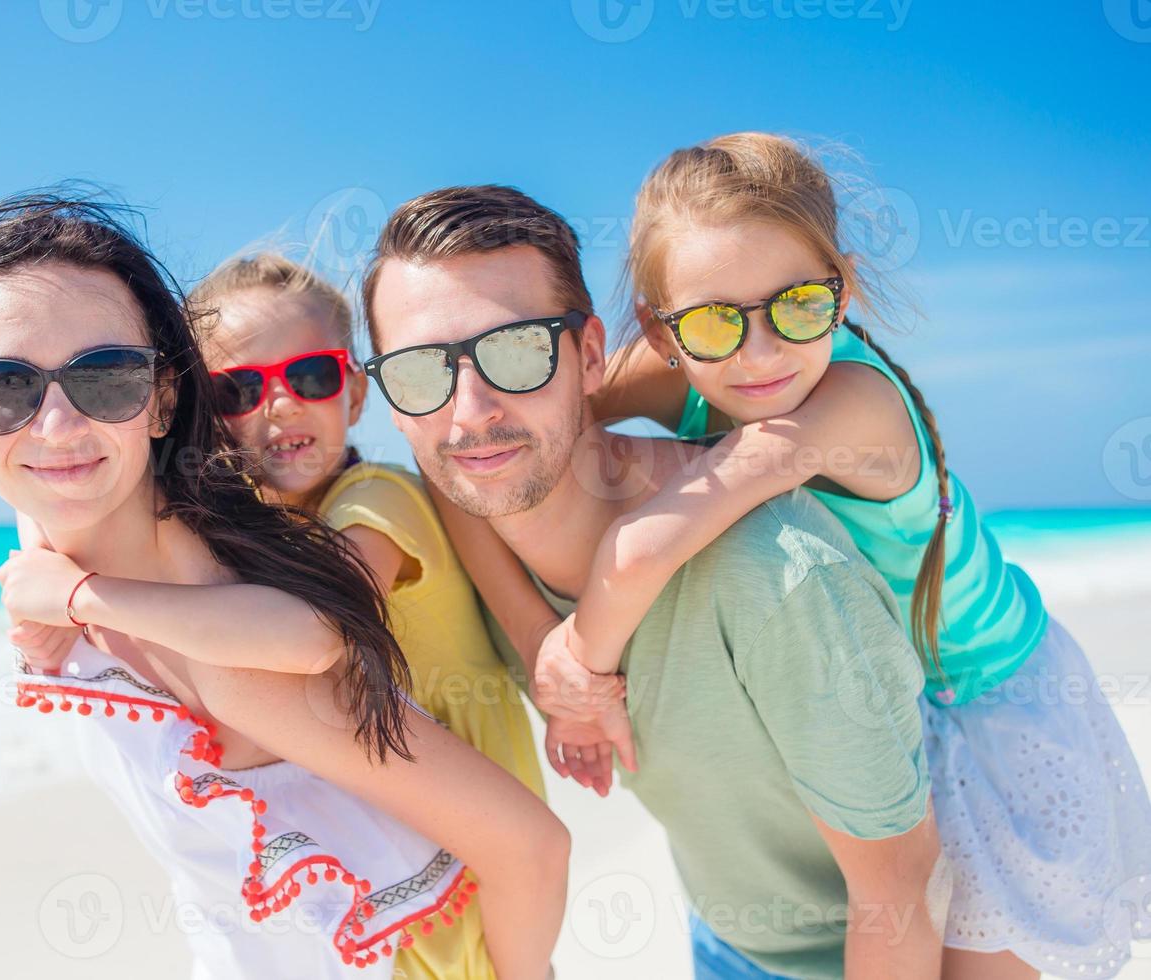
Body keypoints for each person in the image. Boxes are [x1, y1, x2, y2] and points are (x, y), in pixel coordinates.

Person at [436, 134, 1151, 979]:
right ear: (660, 335)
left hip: (994, 703)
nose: (761, 352)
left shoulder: (854, 404)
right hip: (892, 695)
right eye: (710, 320)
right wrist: (528, 636)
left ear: (843, 287)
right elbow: (464, 459)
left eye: (800, 304)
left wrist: (577, 675)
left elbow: (643, 549)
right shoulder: (684, 368)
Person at [0, 191, 568, 979]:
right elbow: (65, 481)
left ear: (163, 398)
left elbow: (316, 626)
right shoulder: (237, 537)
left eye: (105, 378)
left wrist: (69, 597)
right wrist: (41, 561)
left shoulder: (364, 509)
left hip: (450, 915)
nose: (278, 407)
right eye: (3, 387)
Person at [361, 183, 946, 978]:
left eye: (518, 350)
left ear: (594, 354)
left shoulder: (775, 575)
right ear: (391, 400)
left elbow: (901, 895)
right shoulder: (467, 535)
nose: (469, 411)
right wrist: (548, 651)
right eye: (421, 370)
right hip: (722, 941)